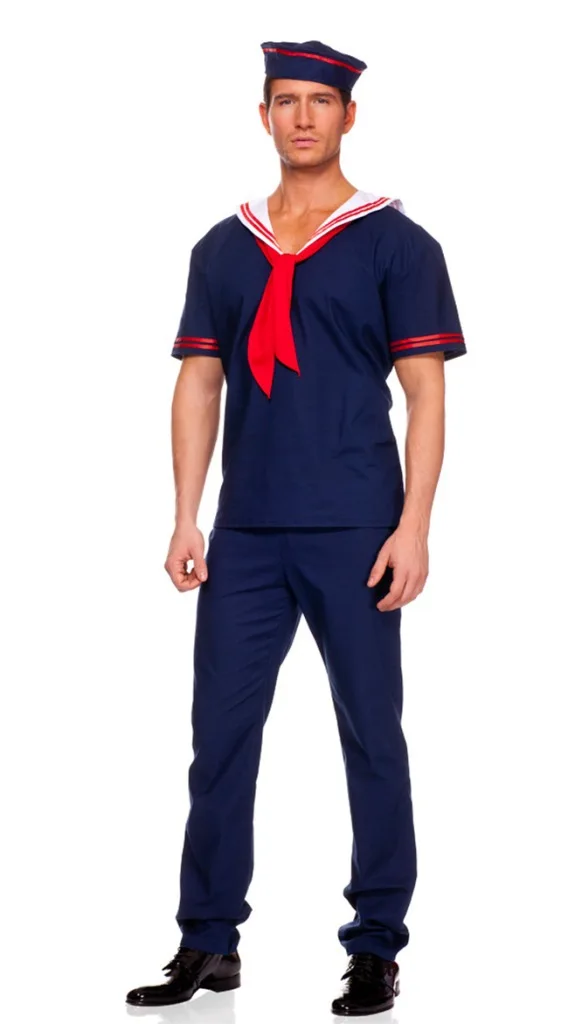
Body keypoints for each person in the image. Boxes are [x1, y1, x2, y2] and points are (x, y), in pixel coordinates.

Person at [126, 37, 467, 1015]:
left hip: (356, 526)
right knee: (220, 739)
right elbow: (199, 382)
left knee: (371, 735)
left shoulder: (398, 243)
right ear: (264, 115)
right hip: (245, 535)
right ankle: (208, 942)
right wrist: (186, 516)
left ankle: (375, 947)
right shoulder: (223, 248)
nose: (303, 118)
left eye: (321, 101)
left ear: (349, 115)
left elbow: (426, 395)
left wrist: (414, 525)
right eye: (286, 101)